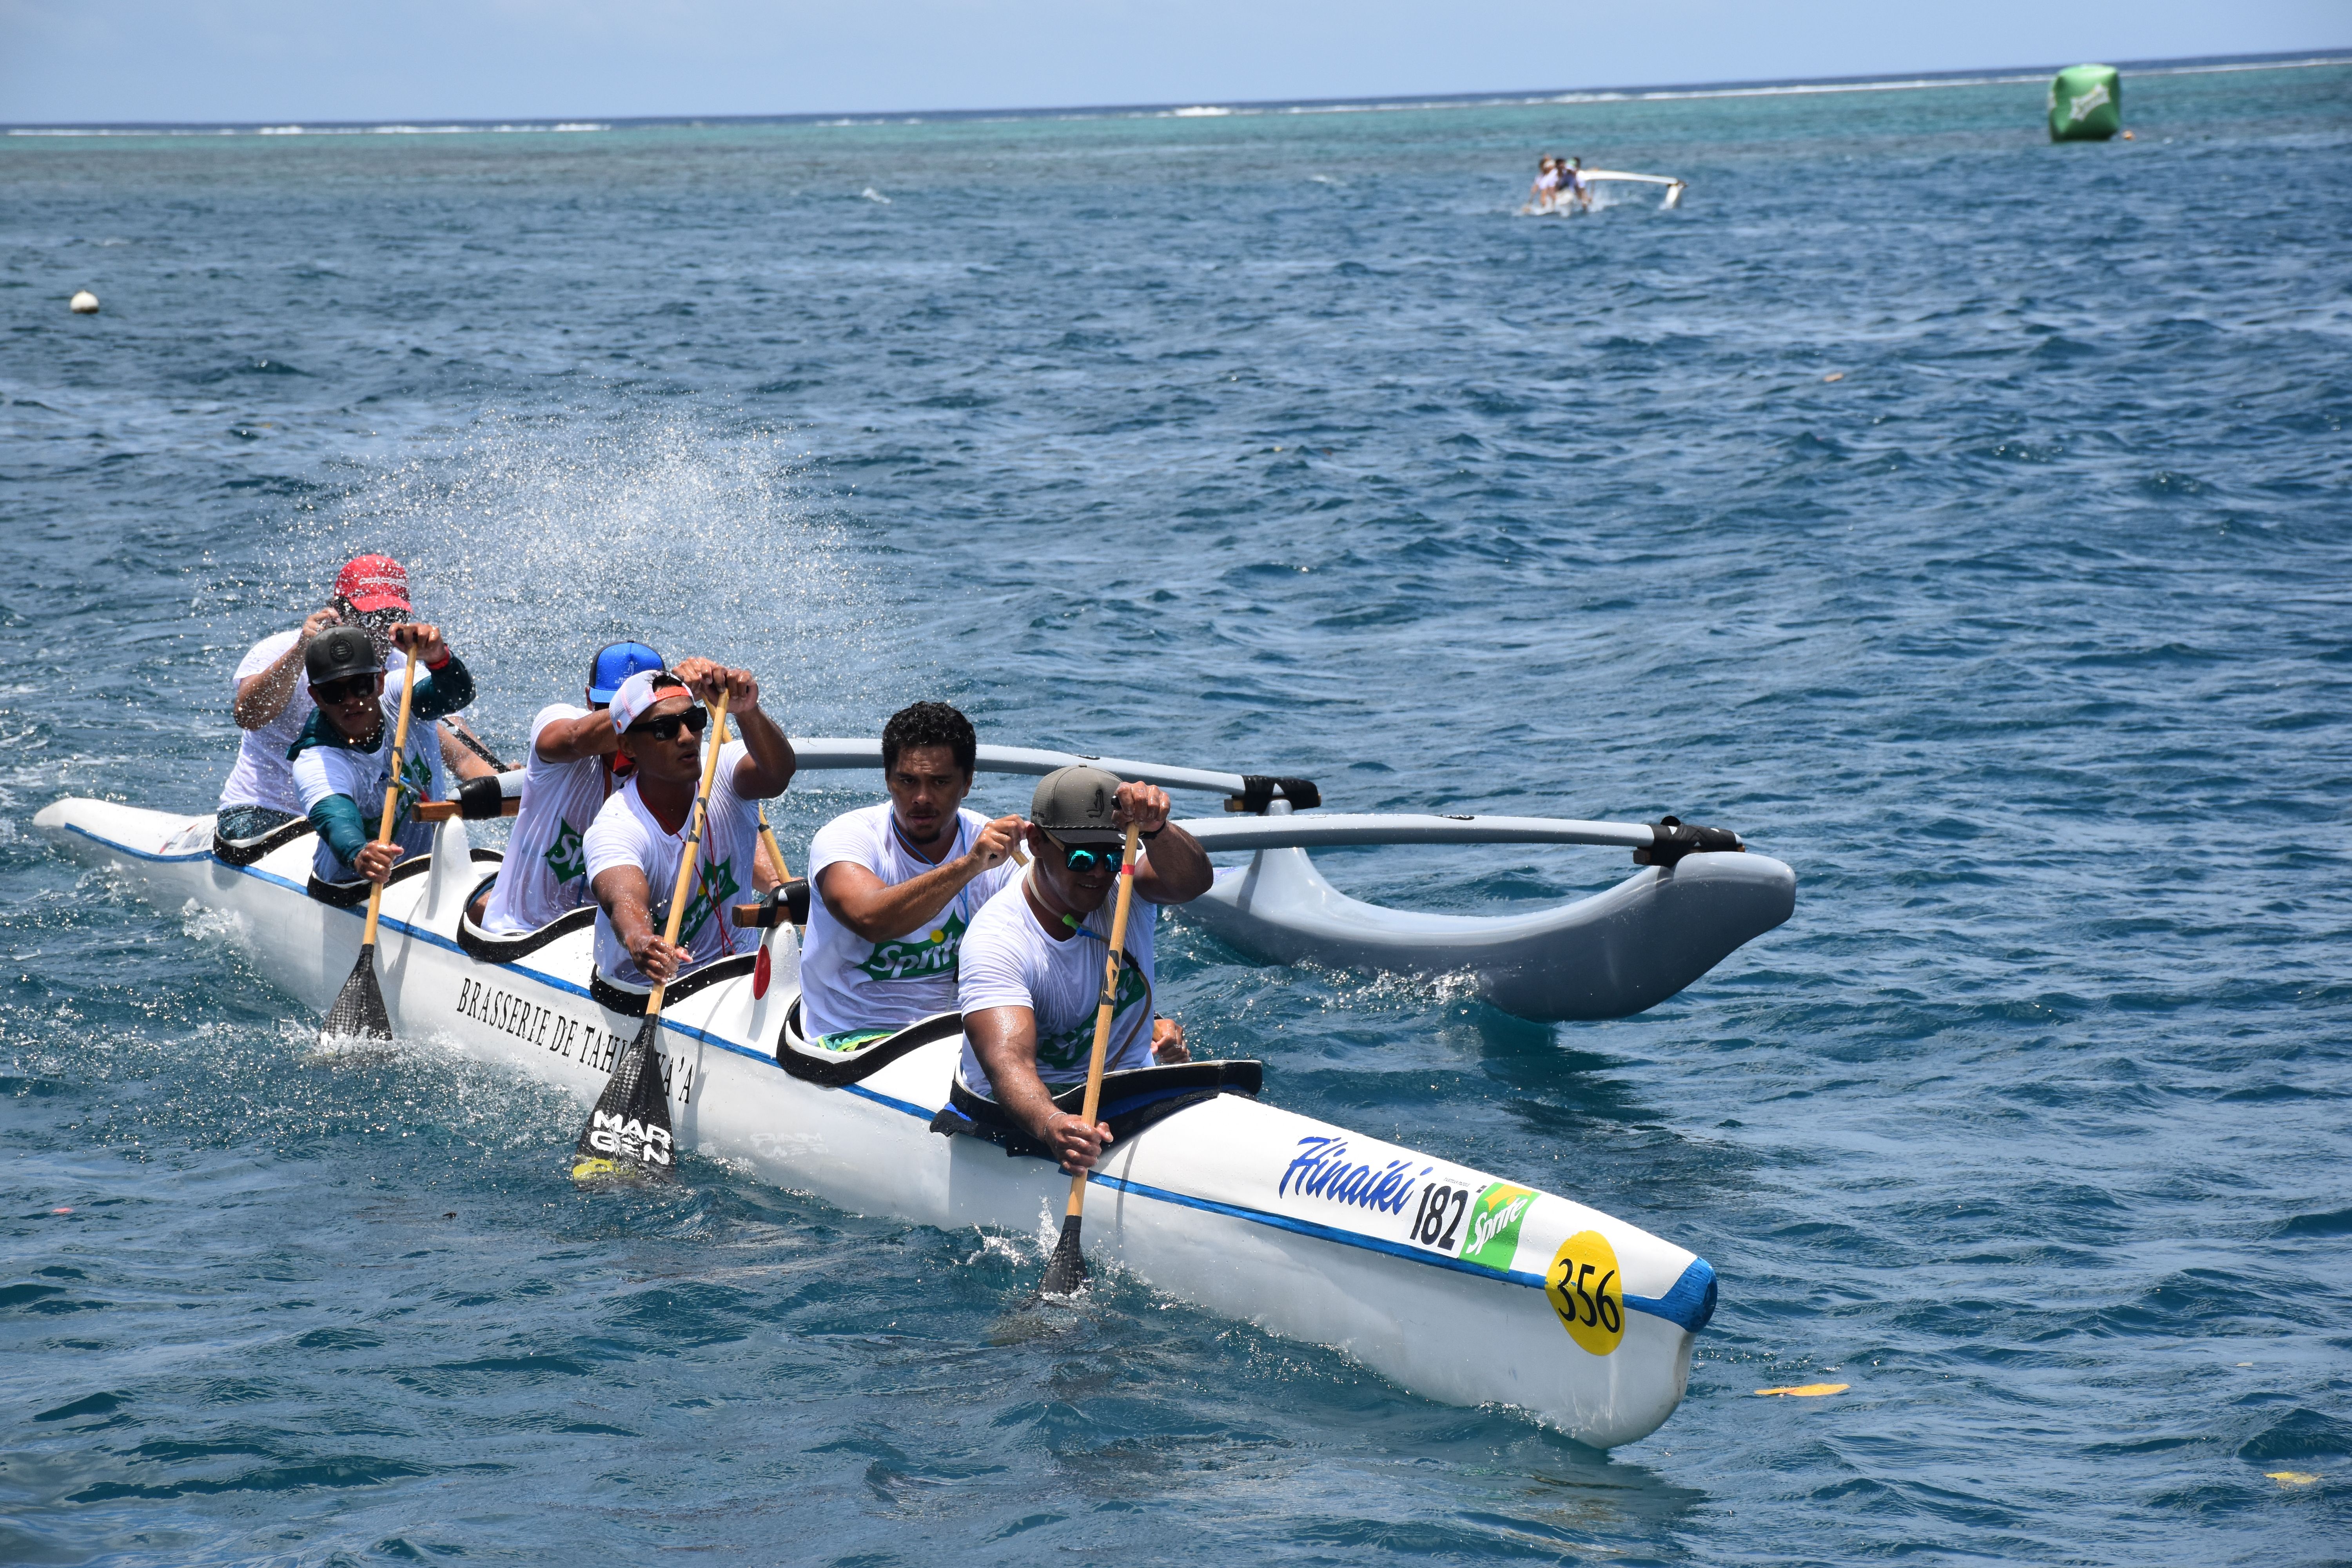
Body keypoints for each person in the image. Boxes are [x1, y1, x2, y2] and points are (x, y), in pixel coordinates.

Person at [953, 765, 1213, 1175]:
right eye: (1080, 857)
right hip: (1023, 1114)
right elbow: (1009, 1063)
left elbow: (1193, 882)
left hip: (1129, 1091)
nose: (1099, 872)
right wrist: (1054, 1123)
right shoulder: (998, 941)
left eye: (1111, 856)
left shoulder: (1127, 885)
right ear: (1037, 842)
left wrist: (1158, 829)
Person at [217, 554, 493, 848]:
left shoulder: (404, 668)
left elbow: (462, 756)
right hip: (267, 815)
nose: (378, 633)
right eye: (370, 619)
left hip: (355, 820)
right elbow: (248, 716)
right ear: (337, 613)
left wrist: (508, 787)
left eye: (389, 620)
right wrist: (301, 651)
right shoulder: (281, 650)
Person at [798, 702, 1025, 1049]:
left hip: (953, 1032)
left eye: (940, 782)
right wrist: (969, 866)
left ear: (967, 783)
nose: (921, 798)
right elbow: (870, 918)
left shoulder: (994, 845)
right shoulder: (848, 837)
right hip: (851, 1034)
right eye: (907, 781)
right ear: (888, 779)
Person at [475, 641, 721, 936]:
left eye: (654, 717)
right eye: (610, 706)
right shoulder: (558, 722)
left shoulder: (679, 760)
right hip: (523, 933)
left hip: (611, 944)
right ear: (588, 701)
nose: (625, 719)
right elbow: (574, 739)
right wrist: (654, 702)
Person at [583, 666, 796, 989]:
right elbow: (623, 899)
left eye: (694, 721)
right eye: (664, 729)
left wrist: (748, 712)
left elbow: (777, 774)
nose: (686, 737)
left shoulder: (721, 769)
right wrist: (643, 941)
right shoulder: (617, 826)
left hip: (738, 975)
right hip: (647, 989)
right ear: (627, 747)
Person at [287, 619, 477, 888]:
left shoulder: (402, 693)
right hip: (355, 886)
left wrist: (438, 659)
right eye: (334, 692)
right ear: (316, 697)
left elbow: (456, 695)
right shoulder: (317, 759)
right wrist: (360, 854)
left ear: (380, 681)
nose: (351, 699)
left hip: (427, 870)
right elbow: (336, 820)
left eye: (361, 685)